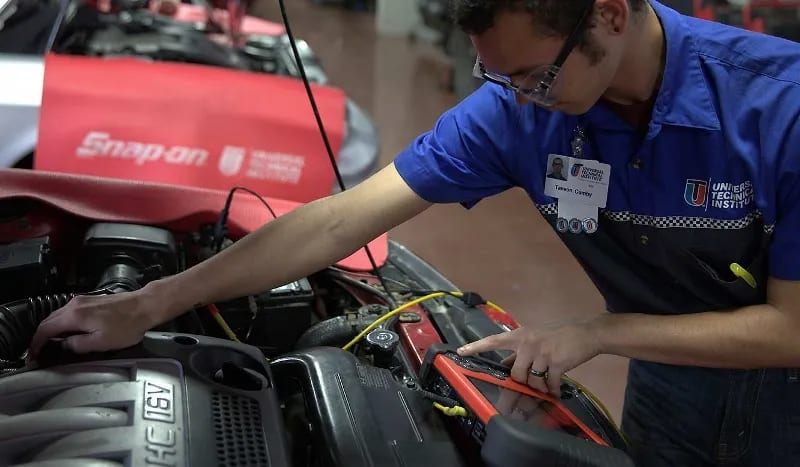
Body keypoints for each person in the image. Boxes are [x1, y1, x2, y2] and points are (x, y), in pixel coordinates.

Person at [28, 0, 800, 465]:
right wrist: (149, 303)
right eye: (496, 79)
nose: (517, 102)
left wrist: (598, 330)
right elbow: (340, 218)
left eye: (534, 76)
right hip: (670, 376)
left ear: (607, 13)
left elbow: (791, 330)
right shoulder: (517, 110)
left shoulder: (779, 108)